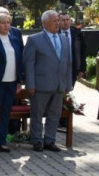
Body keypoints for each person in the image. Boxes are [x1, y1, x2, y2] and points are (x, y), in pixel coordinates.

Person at [22, 9, 72, 152]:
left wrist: (68, 84)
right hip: (40, 86)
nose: (57, 23)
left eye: (58, 20)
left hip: (58, 85)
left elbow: (68, 63)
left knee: (54, 115)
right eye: (54, 21)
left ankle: (50, 140)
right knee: (37, 114)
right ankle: (37, 140)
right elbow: (29, 64)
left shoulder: (64, 40)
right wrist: (30, 84)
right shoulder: (35, 40)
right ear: (44, 23)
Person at [0, 11, 24, 152]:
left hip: (11, 81)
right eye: (3, 23)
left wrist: (19, 81)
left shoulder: (14, 39)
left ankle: (2, 140)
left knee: (6, 112)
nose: (6, 25)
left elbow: (19, 61)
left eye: (8, 23)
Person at [59, 11, 85, 82]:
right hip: (59, 68)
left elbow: (82, 51)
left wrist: (82, 69)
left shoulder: (77, 33)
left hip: (73, 66)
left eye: (67, 20)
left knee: (70, 87)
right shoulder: (55, 33)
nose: (65, 22)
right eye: (63, 20)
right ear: (58, 22)